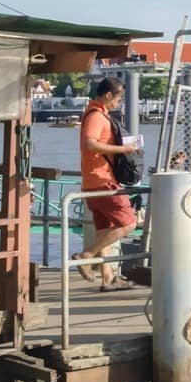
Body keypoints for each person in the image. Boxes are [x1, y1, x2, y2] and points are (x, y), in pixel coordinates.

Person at [74, 77, 144, 290]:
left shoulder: (95, 113)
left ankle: (108, 278)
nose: (118, 103)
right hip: (103, 181)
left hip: (92, 181)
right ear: (107, 95)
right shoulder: (96, 116)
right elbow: (90, 144)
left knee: (104, 231)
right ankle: (86, 256)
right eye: (118, 98)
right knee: (128, 223)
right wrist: (124, 150)